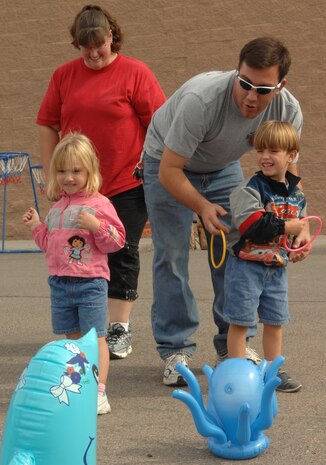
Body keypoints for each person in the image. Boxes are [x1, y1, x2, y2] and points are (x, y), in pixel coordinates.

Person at [142, 36, 311, 389]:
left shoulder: (287, 110)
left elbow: (287, 174)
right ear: (237, 72)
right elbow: (169, 171)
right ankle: (176, 351)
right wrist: (201, 207)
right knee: (172, 256)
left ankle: (232, 347)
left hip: (223, 166)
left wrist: (300, 225)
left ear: (281, 86)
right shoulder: (201, 100)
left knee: (237, 255)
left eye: (263, 89)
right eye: (245, 83)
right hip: (167, 163)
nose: (251, 96)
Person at [36, 4, 166, 360]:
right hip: (77, 186)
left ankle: (119, 327)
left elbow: (159, 124)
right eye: (85, 47)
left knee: (121, 252)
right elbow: (47, 123)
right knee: (76, 250)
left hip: (125, 181)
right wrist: (54, 175)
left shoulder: (135, 72)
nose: (93, 54)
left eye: (100, 45)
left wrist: (155, 171)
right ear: (76, 43)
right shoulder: (64, 75)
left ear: (112, 36)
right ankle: (81, 326)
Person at [23, 133, 126, 414]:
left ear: (90, 171)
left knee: (95, 339)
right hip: (60, 284)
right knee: (72, 342)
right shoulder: (56, 209)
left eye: (76, 171)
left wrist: (96, 226)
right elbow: (49, 246)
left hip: (90, 282)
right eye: (62, 171)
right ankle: (77, 385)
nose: (69, 177)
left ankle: (99, 391)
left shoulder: (100, 204)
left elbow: (116, 241)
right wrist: (36, 227)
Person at [225, 121, 307, 391]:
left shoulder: (296, 193)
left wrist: (300, 241)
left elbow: (300, 225)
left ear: (291, 155)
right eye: (260, 150)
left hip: (276, 269)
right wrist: (286, 227)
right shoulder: (250, 188)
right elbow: (250, 225)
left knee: (275, 321)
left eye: (273, 151)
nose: (264, 157)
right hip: (246, 267)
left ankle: (273, 371)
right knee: (241, 322)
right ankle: (237, 375)